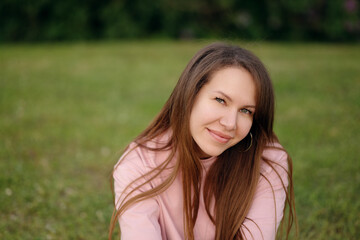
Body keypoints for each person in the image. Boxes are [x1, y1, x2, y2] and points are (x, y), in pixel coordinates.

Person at [109, 42, 297, 240]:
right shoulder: (139, 164)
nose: (230, 124)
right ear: (190, 93)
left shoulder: (267, 162)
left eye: (245, 111)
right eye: (220, 100)